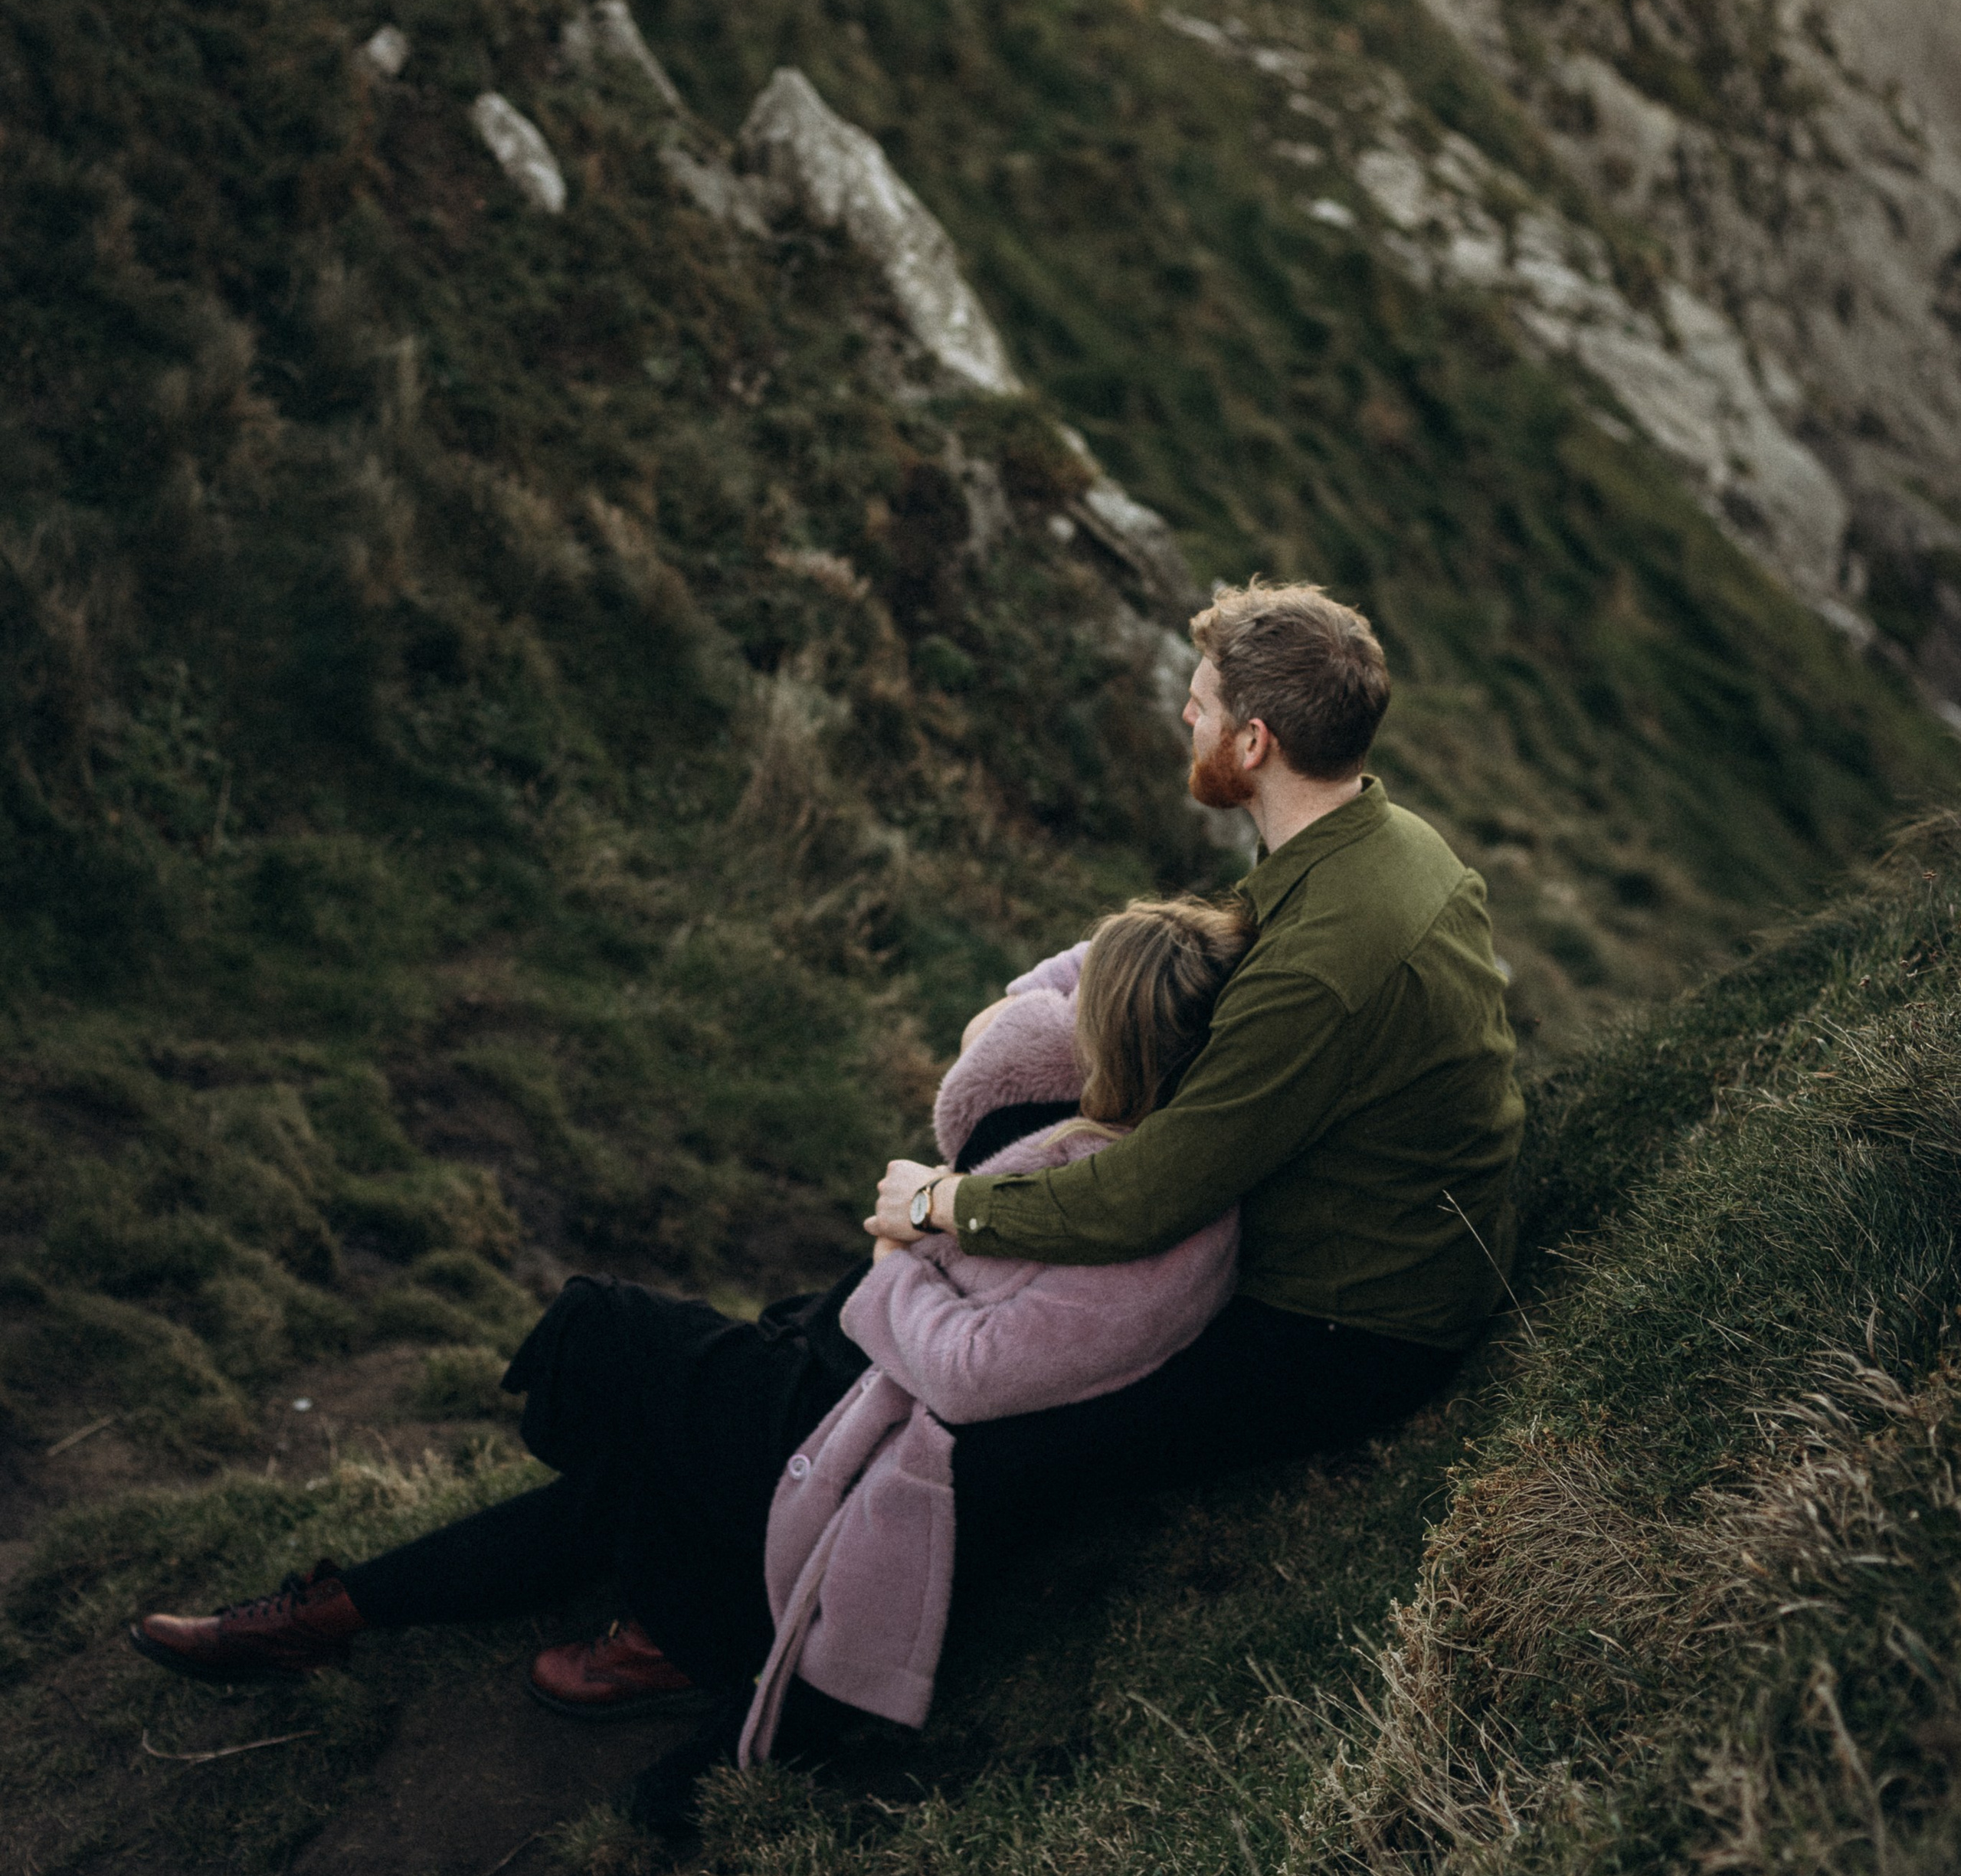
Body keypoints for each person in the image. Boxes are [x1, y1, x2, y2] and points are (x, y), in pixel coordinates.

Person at [127, 899, 1256, 1793]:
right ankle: (331, 1618)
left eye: (1090, 1006)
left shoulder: (1172, 1242)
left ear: (1121, 1038)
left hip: (865, 1440)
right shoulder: (1129, 1112)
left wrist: (901, 1259)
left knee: (603, 1332)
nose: (1061, 1011)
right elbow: (1036, 989)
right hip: (837, 1382)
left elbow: (970, 1373)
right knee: (625, 1472)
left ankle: (656, 1619)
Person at [866, 577, 1524, 1564]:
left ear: (1253, 743)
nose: (1186, 712)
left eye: (1203, 702)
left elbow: (1149, 1199)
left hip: (1350, 1327)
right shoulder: (1394, 844)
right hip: (1407, 1244)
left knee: (982, 1448)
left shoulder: (1315, 968)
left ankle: (824, 1676)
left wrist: (944, 1206)